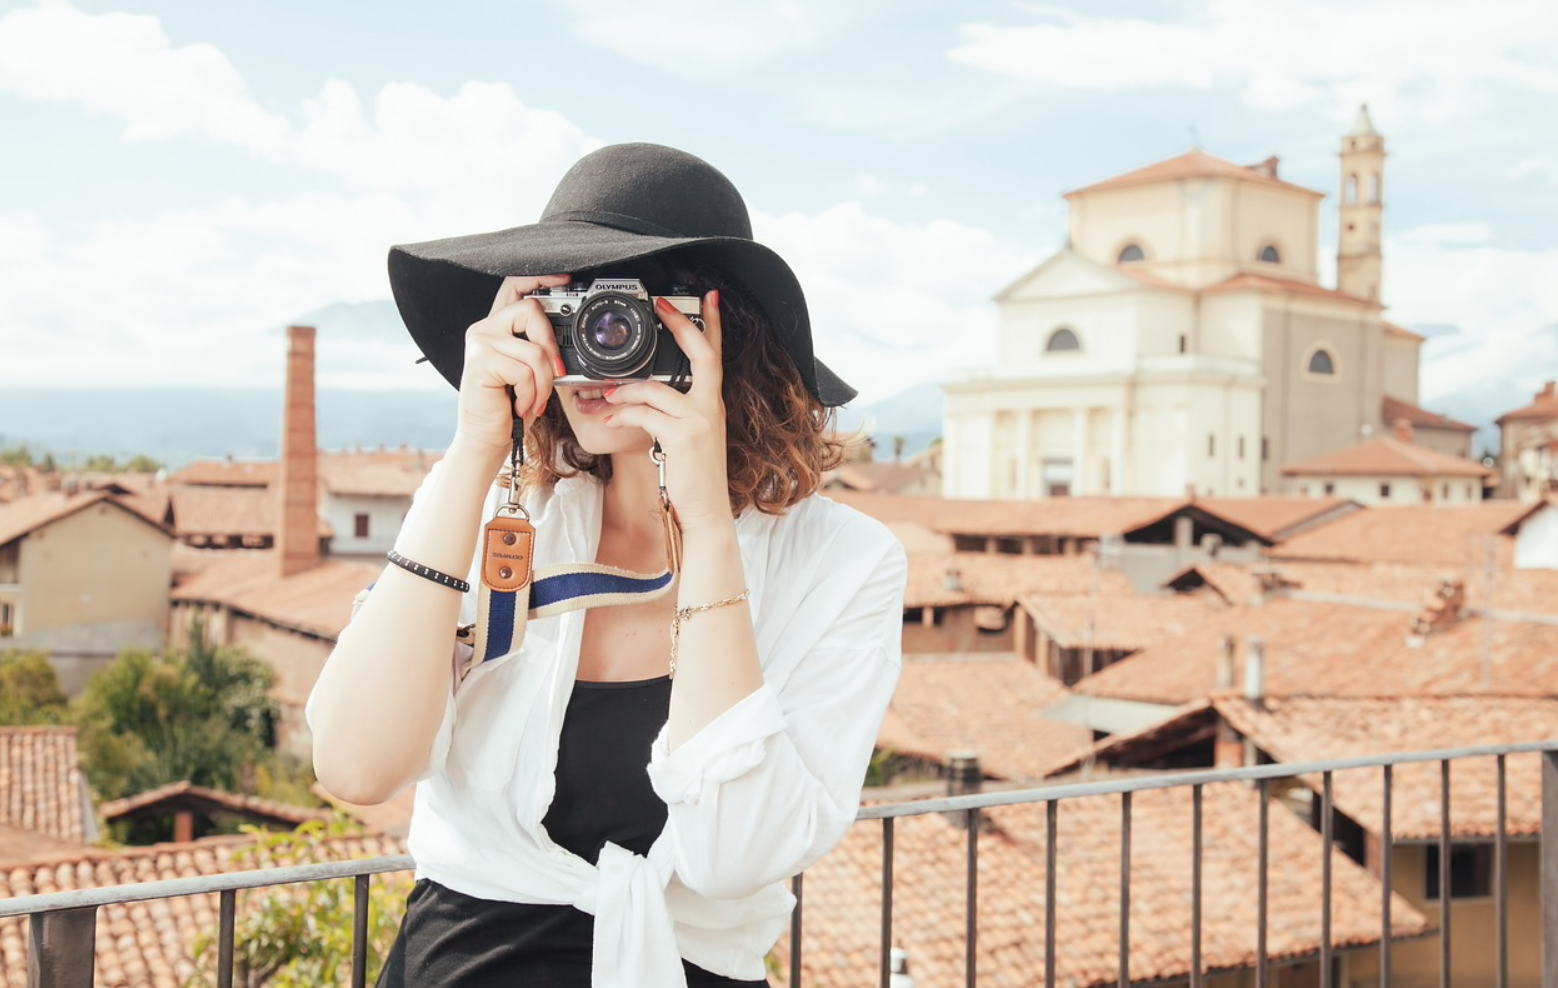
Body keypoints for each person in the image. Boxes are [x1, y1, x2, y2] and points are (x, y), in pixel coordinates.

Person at [307, 143, 907, 988]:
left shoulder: (846, 564)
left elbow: (737, 855)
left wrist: (703, 519)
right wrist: (476, 449)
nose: (598, 342)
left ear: (721, 334)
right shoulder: (493, 511)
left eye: (628, 312)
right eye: (565, 307)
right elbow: (355, 766)